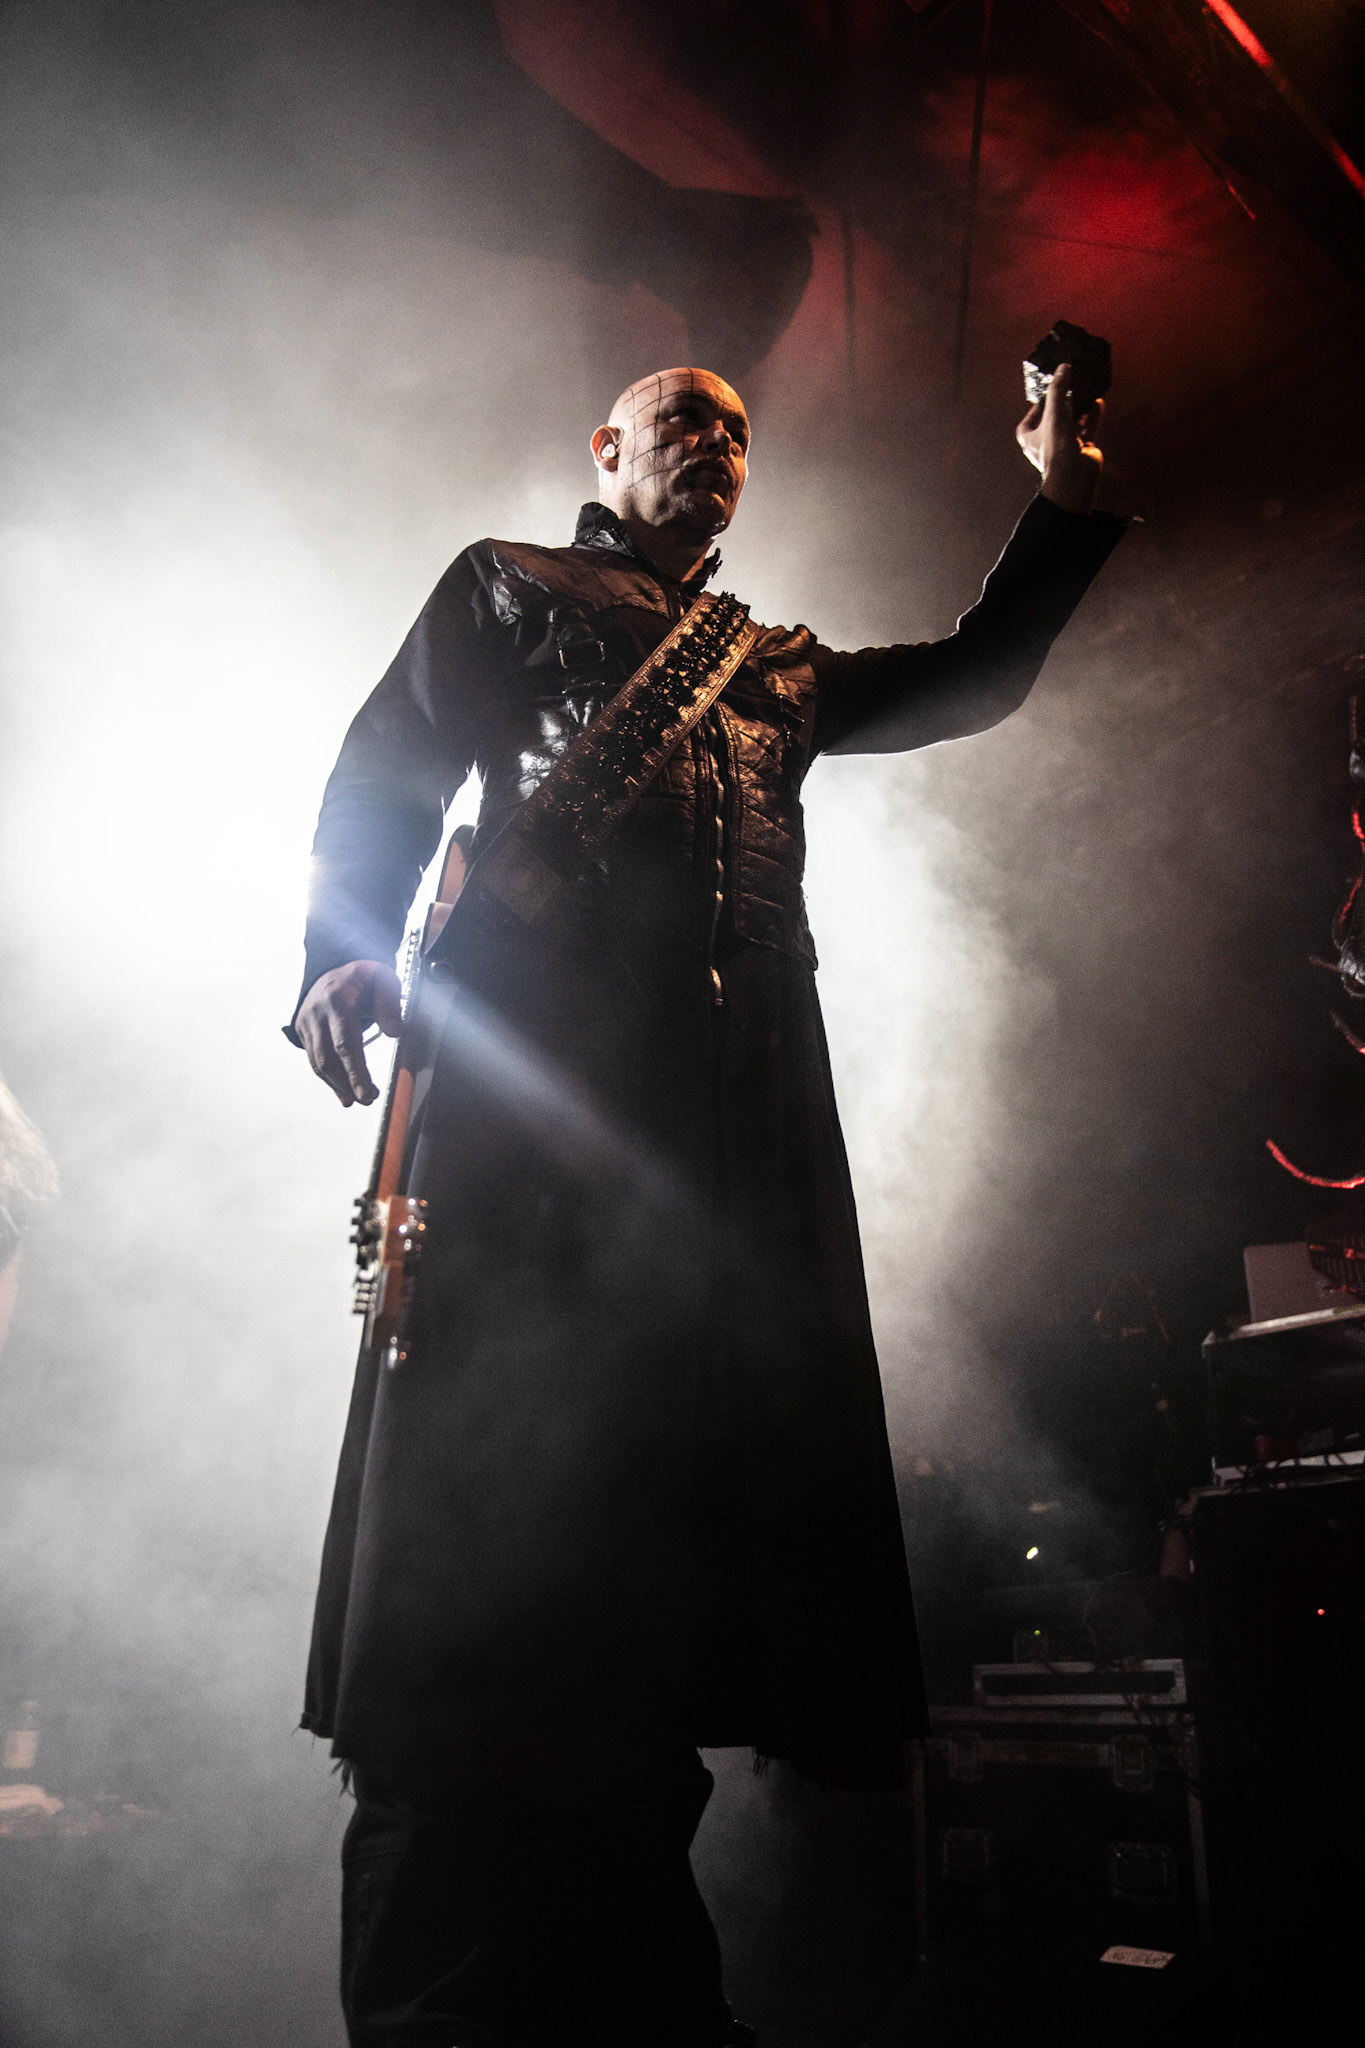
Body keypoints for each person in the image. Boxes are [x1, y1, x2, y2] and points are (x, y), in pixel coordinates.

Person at [290, 362, 1124, 2046]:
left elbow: (968, 679)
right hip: (536, 1103)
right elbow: (385, 769)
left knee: (663, 1528)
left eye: (735, 427)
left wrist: (1063, 497)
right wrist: (346, 947)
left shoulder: (776, 666)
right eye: (679, 417)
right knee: (481, 1506)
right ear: (605, 448)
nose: (711, 442)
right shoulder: (505, 585)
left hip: (722, 1144)